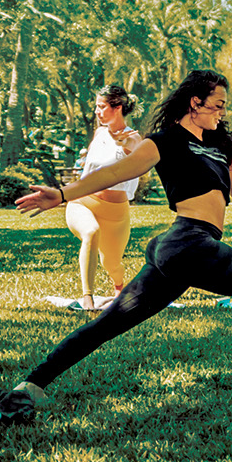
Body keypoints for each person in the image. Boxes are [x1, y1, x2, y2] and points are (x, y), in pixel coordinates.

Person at [13, 70, 232, 404]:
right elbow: (115, 172)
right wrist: (62, 194)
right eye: (218, 105)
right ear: (196, 102)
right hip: (189, 242)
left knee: (112, 321)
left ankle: (33, 384)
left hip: (181, 250)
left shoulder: (220, 148)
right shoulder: (165, 141)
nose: (222, 112)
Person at [63, 85, 143, 310]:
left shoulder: (134, 140)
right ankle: (87, 297)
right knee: (90, 232)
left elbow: (137, 160)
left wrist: (127, 146)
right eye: (96, 107)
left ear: (117, 107)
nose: (97, 112)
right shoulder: (99, 133)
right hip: (83, 201)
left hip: (116, 212)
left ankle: (119, 288)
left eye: (101, 107)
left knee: (112, 263)